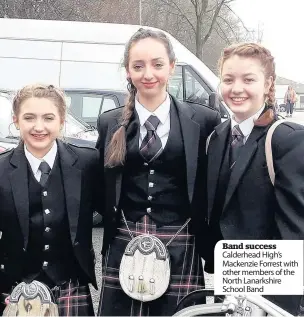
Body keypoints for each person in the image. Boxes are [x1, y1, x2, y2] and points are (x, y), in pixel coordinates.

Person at [95, 28, 221, 316]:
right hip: (124, 240)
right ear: (127, 71)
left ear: (172, 67)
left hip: (182, 241)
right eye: (138, 66)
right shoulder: (110, 122)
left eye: (157, 64)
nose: (148, 74)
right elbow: (99, 186)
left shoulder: (204, 121)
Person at [206, 42, 304, 315]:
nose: (236, 89)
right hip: (231, 291)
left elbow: (294, 236)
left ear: (268, 84)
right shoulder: (216, 138)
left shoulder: (287, 139)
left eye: (248, 79)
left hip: (271, 298)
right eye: (228, 79)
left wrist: (271, 305)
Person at [0, 84, 100, 316]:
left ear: (62, 120)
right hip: (14, 290)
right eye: (29, 118)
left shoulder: (87, 163)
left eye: (48, 118)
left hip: (70, 286)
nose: (39, 127)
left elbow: (110, 208)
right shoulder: (2, 169)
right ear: (16, 120)